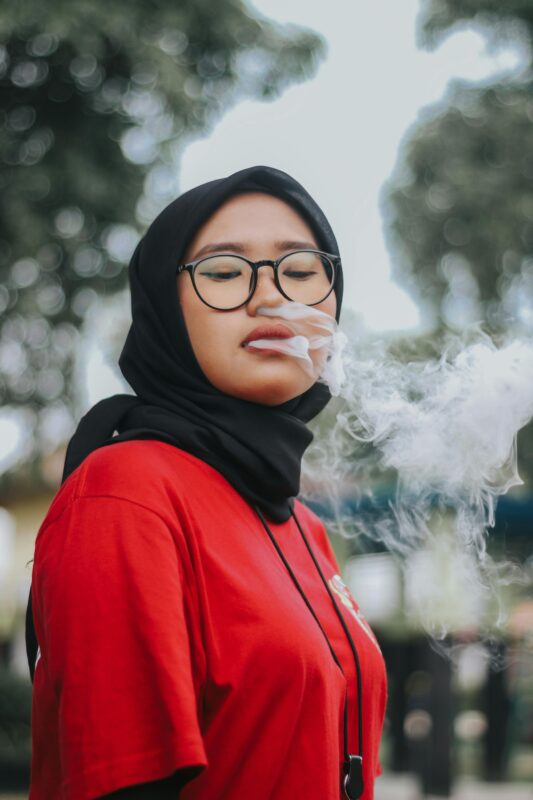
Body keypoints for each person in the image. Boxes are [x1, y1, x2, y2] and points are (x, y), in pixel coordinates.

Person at [26, 166, 387, 799]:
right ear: (166, 309)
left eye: (301, 272)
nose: (272, 297)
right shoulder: (126, 493)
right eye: (224, 273)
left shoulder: (303, 525)